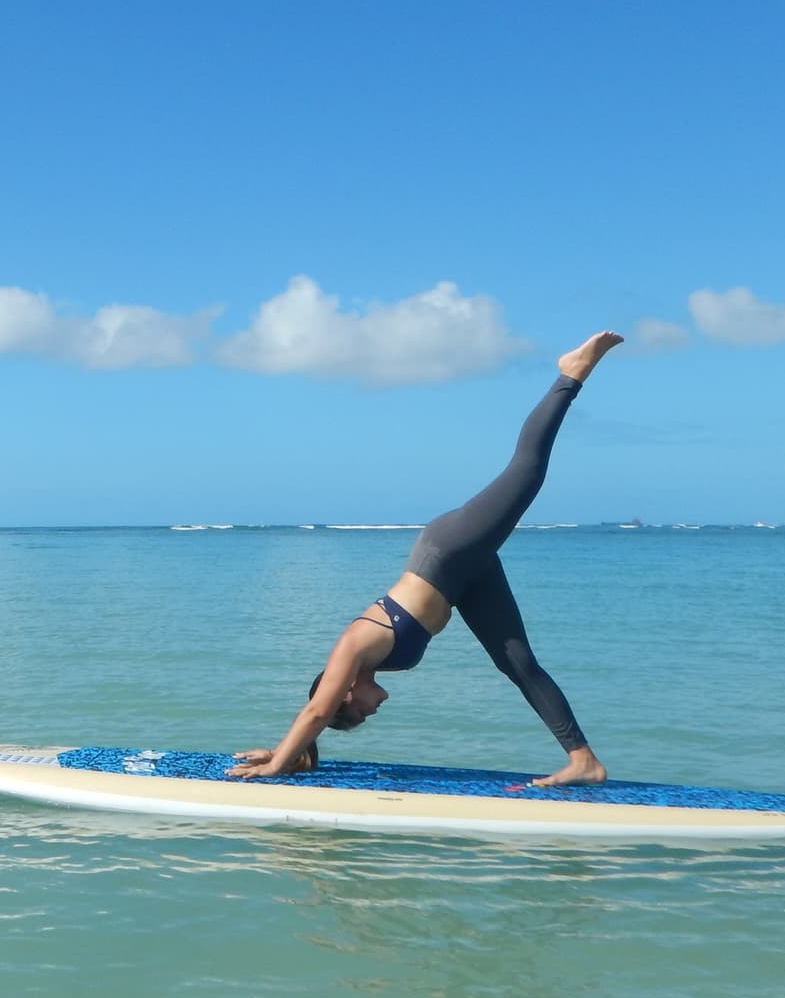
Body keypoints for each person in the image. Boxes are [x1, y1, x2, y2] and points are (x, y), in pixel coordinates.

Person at [229, 330, 624, 789]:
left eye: (358, 713)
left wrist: (276, 765)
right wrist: (291, 753)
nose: (373, 711)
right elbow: (319, 712)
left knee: (526, 472)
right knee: (520, 666)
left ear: (347, 693)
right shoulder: (371, 663)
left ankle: (570, 374)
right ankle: (584, 760)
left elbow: (317, 709)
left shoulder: (353, 648)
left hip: (448, 551)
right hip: (465, 580)